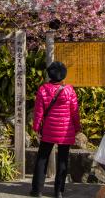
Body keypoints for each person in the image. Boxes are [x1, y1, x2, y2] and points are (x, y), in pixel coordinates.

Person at [31, 61, 80, 198]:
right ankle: (59, 191)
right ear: (63, 75)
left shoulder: (43, 89)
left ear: (49, 75)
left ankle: (37, 190)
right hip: (65, 131)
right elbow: (75, 112)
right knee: (63, 160)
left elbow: (38, 112)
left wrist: (36, 128)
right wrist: (77, 127)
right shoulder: (69, 90)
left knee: (42, 158)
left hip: (48, 130)